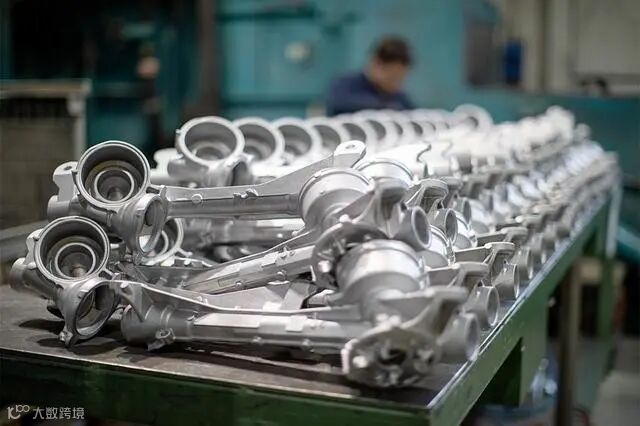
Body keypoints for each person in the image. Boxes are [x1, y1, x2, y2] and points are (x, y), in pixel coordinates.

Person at [326, 36, 414, 116]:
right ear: (377, 64)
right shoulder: (345, 85)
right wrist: (386, 108)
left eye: (400, 78)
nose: (396, 83)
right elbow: (339, 104)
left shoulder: (398, 97)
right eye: (393, 77)